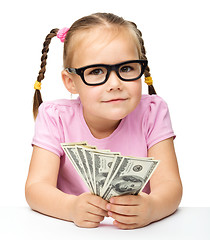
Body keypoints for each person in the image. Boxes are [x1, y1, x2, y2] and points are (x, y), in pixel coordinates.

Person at [25, 12, 183, 229]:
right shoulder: (55, 117)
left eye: (126, 68)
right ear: (70, 82)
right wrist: (70, 207)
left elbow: (170, 185)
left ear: (141, 69)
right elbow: (36, 188)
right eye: (97, 71)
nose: (115, 83)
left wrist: (153, 207)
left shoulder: (152, 112)